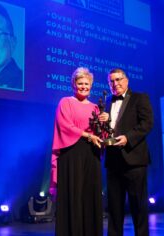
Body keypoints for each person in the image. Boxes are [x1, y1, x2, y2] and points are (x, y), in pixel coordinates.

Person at [99, 68, 154, 236]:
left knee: (139, 207)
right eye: (111, 81)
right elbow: (107, 130)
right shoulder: (107, 103)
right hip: (113, 162)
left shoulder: (140, 98)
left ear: (126, 80)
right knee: (114, 209)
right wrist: (102, 124)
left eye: (118, 79)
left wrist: (128, 138)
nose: (115, 84)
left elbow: (147, 124)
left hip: (134, 160)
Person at [49, 67, 103, 236]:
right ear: (74, 84)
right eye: (80, 83)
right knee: (73, 195)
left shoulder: (96, 107)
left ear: (91, 85)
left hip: (91, 154)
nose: (84, 87)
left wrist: (105, 121)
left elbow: (102, 134)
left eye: (87, 84)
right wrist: (88, 135)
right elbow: (65, 126)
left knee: (89, 195)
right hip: (71, 154)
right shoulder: (66, 102)